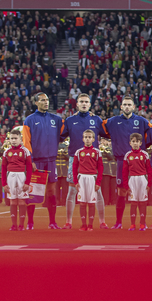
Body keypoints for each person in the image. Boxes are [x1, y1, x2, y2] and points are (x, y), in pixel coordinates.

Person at [102, 96, 152, 229]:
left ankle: (142, 223)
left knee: (141, 194)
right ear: (121, 107)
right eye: (125, 104)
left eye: (129, 104)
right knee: (122, 192)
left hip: (138, 162)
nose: (127, 107)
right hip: (121, 161)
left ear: (134, 107)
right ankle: (118, 222)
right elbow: (98, 126)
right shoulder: (112, 121)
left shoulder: (142, 121)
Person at [61, 94, 108, 229]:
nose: (84, 104)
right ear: (76, 104)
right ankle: (68, 222)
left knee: (97, 192)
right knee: (72, 191)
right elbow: (60, 136)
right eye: (81, 101)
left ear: (90, 104)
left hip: (93, 160)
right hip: (74, 160)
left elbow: (109, 133)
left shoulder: (97, 120)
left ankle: (102, 222)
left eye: (86, 102)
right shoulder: (69, 120)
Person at [22, 92, 64, 230]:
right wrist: (31, 160)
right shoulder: (29, 120)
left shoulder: (56, 119)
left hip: (51, 160)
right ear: (36, 103)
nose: (46, 102)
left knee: (52, 192)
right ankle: (30, 223)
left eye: (47, 100)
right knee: (34, 193)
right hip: (36, 161)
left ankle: (52, 222)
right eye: (42, 100)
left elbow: (67, 130)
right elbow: (26, 142)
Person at [1, 127, 32, 231]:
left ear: (20, 139)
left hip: (21, 177)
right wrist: (4, 184)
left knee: (22, 201)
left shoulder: (25, 151)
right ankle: (14, 225)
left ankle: (21, 225)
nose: (13, 140)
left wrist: (27, 182)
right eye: (11, 138)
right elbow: (3, 169)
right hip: (11, 177)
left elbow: (29, 168)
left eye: (15, 138)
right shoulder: (6, 152)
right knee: (13, 201)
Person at [73, 130, 103, 231]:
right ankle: (83, 224)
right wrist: (76, 182)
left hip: (92, 178)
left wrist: (98, 182)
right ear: (83, 139)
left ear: (93, 139)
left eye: (89, 137)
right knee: (82, 203)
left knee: (91, 203)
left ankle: (90, 224)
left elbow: (101, 168)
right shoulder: (79, 152)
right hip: (81, 178)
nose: (87, 139)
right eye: (85, 137)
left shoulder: (97, 152)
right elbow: (74, 167)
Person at [122, 133, 152, 231]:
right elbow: (124, 172)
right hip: (132, 180)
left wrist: (149, 183)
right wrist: (126, 186)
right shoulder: (127, 155)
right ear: (130, 143)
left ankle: (142, 224)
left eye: (137, 142)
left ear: (140, 143)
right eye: (133, 141)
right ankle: (132, 224)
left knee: (142, 203)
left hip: (142, 179)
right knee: (133, 203)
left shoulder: (144, 154)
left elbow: (149, 170)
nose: (135, 143)